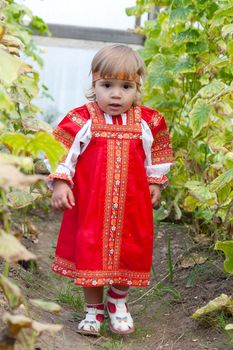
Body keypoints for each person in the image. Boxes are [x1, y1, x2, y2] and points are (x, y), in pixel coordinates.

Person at [46, 44, 173, 336]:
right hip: (92, 206)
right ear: (94, 82)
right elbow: (61, 149)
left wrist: (155, 182)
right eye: (107, 85)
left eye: (126, 86)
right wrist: (62, 181)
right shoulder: (83, 119)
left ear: (137, 87)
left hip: (132, 205)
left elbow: (159, 152)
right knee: (91, 250)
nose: (116, 94)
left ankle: (118, 301)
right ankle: (93, 310)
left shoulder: (147, 122)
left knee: (130, 249)